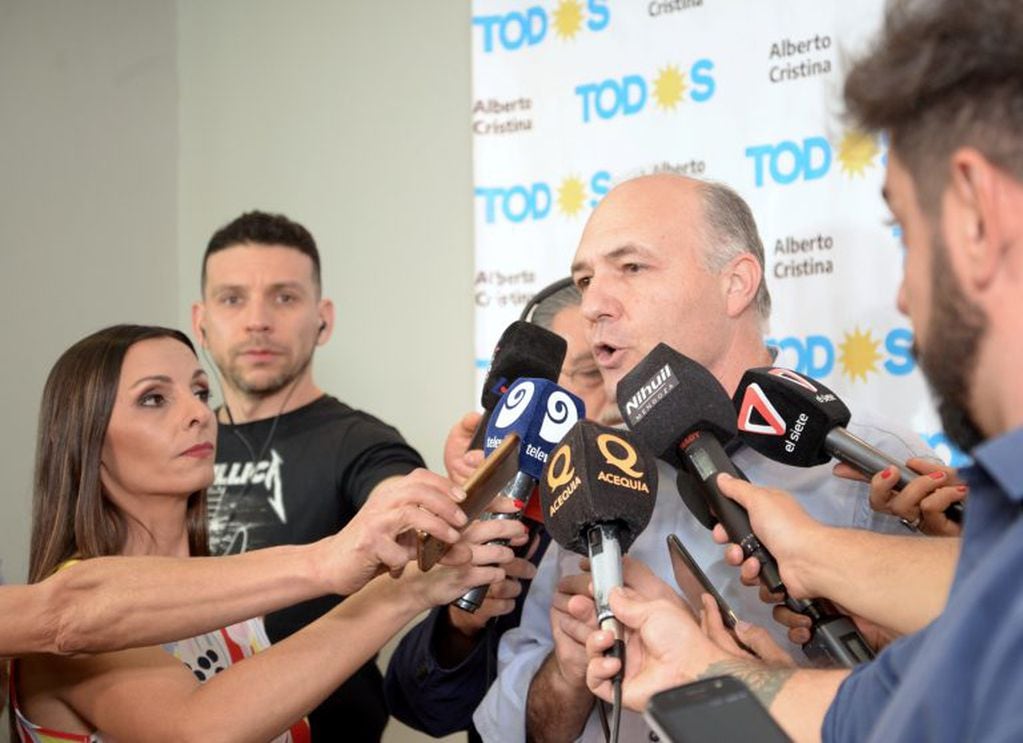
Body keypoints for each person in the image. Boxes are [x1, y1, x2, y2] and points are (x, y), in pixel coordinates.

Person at [584, 0, 1023, 740]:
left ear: (977, 213)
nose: (901, 293)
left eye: (903, 232)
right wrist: (707, 673)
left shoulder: (863, 477)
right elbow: (879, 707)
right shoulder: (992, 531)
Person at [473, 174, 936, 742]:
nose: (592, 304)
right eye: (586, 279)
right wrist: (568, 674)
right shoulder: (587, 472)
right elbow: (515, 730)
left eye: (632, 268)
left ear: (736, 283)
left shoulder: (872, 466)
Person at [8, 324, 510, 741]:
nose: (198, 413)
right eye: (154, 398)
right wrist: (402, 589)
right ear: (86, 438)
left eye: (201, 392)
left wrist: (428, 566)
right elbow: (199, 729)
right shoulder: (77, 621)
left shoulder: (227, 609)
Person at [191, 211, 432, 740]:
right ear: (200, 322)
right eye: (233, 299)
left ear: (323, 318)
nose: (258, 320)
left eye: (284, 297)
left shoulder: (360, 441)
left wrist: (415, 508)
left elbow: (401, 501)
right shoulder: (177, 445)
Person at [384, 279, 611, 741]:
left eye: (620, 366)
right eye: (589, 374)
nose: (610, 396)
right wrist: (461, 625)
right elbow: (422, 709)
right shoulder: (509, 516)